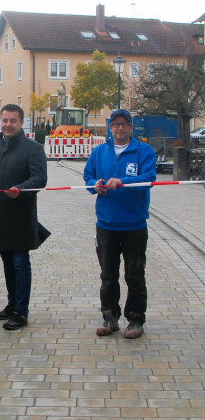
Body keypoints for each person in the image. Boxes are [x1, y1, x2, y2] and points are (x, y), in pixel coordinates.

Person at [84, 108, 156, 339]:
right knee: (108, 274)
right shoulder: (99, 152)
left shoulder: (143, 151)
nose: (120, 128)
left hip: (134, 225)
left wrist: (122, 181)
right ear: (110, 127)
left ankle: (135, 319)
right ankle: (110, 316)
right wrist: (95, 184)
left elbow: (148, 179)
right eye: (116, 124)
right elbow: (87, 177)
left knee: (134, 275)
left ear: (131, 128)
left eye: (125, 124)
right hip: (106, 225)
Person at [0, 104, 48, 331]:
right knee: (7, 261)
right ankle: (11, 304)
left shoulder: (33, 148)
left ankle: (21, 312)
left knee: (20, 262)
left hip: (21, 215)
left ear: (21, 123)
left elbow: (40, 179)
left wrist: (20, 188)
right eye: (4, 120)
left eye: (12, 121)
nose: (7, 124)